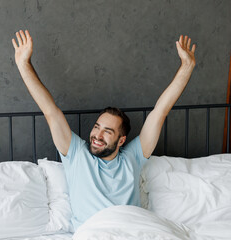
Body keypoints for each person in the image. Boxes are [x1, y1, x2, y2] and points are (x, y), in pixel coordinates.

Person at [12, 30, 196, 230]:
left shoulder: (133, 157)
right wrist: (24, 64)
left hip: (132, 231)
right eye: (97, 127)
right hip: (94, 232)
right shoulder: (76, 154)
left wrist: (187, 66)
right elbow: (50, 111)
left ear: (121, 140)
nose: (97, 136)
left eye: (108, 131)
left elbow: (160, 112)